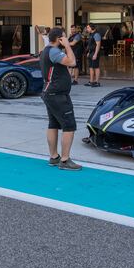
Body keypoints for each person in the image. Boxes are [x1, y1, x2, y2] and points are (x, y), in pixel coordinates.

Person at [40, 27, 81, 171]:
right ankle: (64, 160)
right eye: (64, 37)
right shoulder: (54, 51)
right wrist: (68, 46)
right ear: (59, 39)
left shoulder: (46, 50)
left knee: (53, 124)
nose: (67, 39)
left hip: (49, 93)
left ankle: (54, 157)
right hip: (57, 94)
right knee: (69, 126)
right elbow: (72, 62)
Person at [85, 23, 102, 87]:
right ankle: (91, 81)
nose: (87, 29)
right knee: (91, 67)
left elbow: (98, 45)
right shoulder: (91, 34)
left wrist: (95, 54)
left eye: (88, 27)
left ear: (92, 28)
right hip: (91, 52)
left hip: (95, 52)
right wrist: (89, 52)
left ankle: (97, 82)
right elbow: (90, 44)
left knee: (96, 67)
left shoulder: (96, 34)